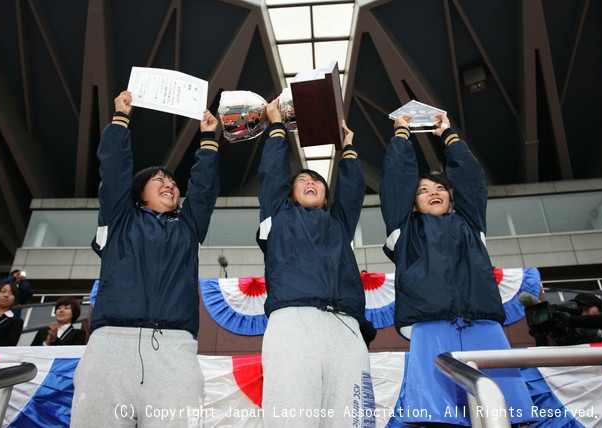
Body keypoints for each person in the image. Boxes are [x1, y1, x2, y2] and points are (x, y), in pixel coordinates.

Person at [70, 91, 220, 427]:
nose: (170, 185)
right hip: (110, 348)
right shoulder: (118, 218)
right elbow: (114, 170)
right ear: (139, 192)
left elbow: (205, 189)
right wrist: (121, 119)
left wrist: (208, 139)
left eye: (174, 182)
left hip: (174, 349)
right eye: (159, 180)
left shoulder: (188, 228)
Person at [379, 113, 534, 426]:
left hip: (483, 324)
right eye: (423, 190)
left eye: (440, 188)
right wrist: (401, 134)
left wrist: (448, 135)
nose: (435, 192)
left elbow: (471, 179)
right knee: (441, 419)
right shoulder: (403, 230)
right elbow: (396, 179)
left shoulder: (471, 224)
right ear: (411, 204)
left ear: (450, 197)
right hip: (429, 325)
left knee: (503, 414)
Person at [257, 98, 376, 427]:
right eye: (303, 181)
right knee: (291, 415)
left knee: (352, 418)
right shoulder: (277, 216)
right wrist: (277, 127)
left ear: (326, 194)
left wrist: (347, 146)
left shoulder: (339, 224)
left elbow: (352, 190)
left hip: (345, 326)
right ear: (290, 193)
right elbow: (272, 176)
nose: (311, 183)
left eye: (318, 182)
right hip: (293, 322)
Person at [0, 279, 24, 346]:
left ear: (14, 300)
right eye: (3, 291)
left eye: (11, 293)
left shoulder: (15, 322)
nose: (6, 295)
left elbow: (9, 345)